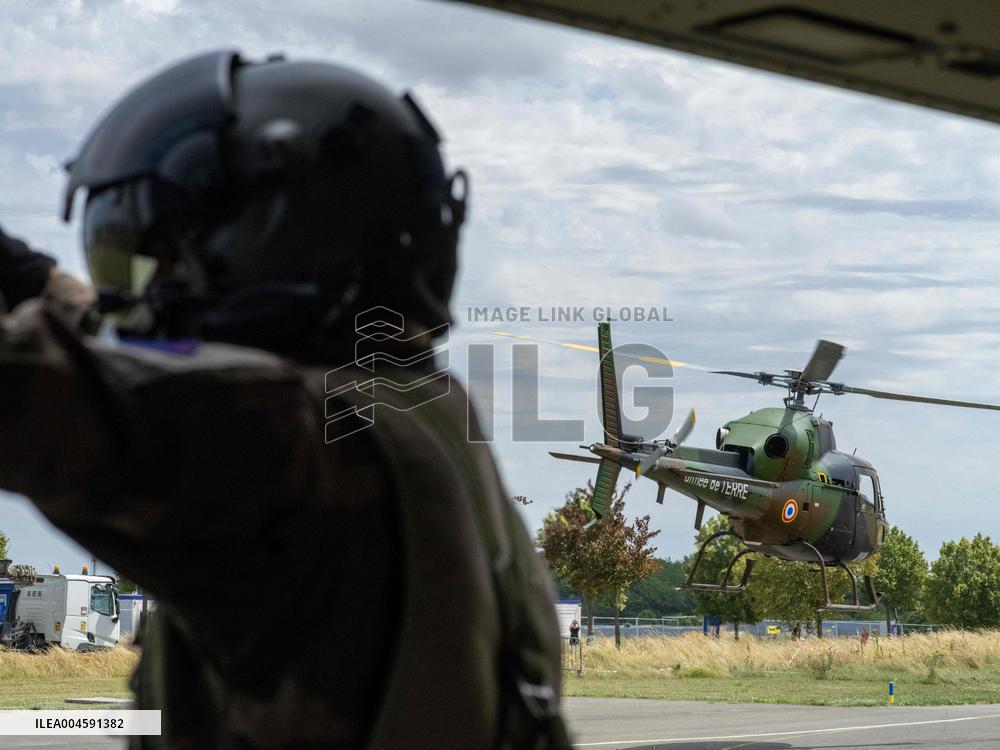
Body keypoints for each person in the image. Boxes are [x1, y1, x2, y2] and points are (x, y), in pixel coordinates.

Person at [0, 50, 569, 749]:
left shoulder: (283, 440)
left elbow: (55, 384)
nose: (144, 300)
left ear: (268, 242)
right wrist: (30, 275)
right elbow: (156, 360)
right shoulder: (410, 410)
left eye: (159, 265)